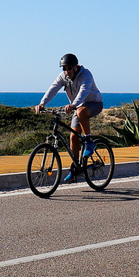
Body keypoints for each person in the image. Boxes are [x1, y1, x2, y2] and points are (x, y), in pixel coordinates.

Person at [35, 53, 104, 181]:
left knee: (81, 112)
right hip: (77, 107)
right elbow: (53, 88)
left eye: (69, 68)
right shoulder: (63, 77)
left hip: (94, 104)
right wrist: (42, 103)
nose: (67, 71)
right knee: (73, 136)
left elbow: (84, 91)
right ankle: (75, 168)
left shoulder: (86, 74)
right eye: (64, 69)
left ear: (75, 67)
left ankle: (89, 142)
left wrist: (73, 105)